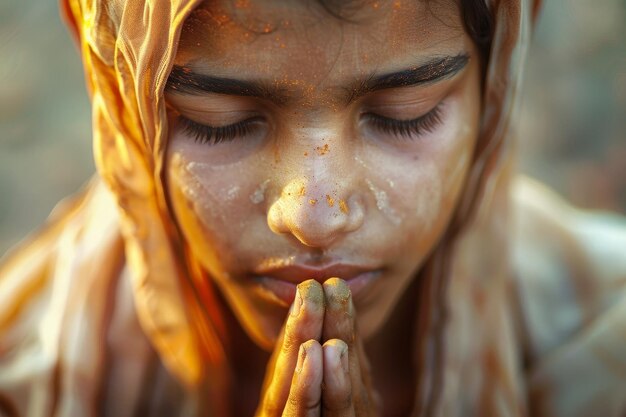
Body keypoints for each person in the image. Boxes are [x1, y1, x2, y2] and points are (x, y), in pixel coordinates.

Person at [0, 0, 624, 415]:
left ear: (497, 76)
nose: (315, 217)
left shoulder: (602, 344)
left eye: (404, 115)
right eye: (220, 123)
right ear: (114, 79)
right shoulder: (25, 379)